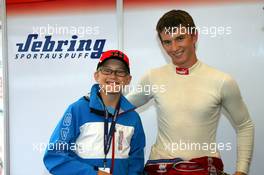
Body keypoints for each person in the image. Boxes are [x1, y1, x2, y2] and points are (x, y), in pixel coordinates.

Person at [127, 10, 254, 175]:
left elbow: (245, 125)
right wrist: (92, 99)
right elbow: (118, 108)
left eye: (180, 38)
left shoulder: (222, 80)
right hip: (159, 168)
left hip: (205, 168)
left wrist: (241, 171)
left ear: (194, 36)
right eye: (167, 42)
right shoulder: (153, 77)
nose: (174, 48)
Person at [43, 50, 146, 175]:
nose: (113, 76)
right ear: (96, 75)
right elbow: (54, 156)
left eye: (120, 72)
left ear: (128, 79)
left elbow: (136, 163)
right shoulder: (77, 110)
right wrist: (94, 174)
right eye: (107, 70)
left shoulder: (133, 117)